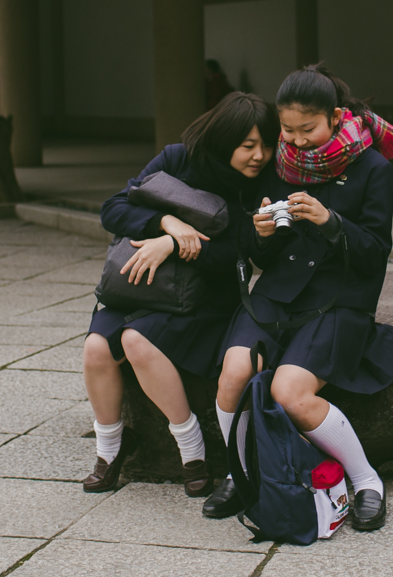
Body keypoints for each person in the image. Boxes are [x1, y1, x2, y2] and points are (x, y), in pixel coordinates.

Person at [203, 64, 393, 531]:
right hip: (276, 295)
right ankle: (244, 473)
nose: (295, 142)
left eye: (307, 130)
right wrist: (258, 234)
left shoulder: (374, 168)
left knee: (290, 393)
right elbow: (262, 253)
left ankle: (366, 481)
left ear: (336, 118)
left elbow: (376, 253)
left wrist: (330, 220)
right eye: (288, 130)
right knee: (234, 373)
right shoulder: (280, 165)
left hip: (339, 299)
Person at [82, 92, 279, 497]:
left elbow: (240, 254)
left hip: (204, 300)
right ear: (224, 140)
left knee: (136, 341)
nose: (259, 155)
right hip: (140, 289)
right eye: (247, 146)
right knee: (96, 349)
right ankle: (109, 452)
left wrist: (177, 248)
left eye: (266, 145)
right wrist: (165, 223)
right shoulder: (177, 159)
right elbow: (113, 208)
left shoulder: (256, 185)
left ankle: (192, 451)